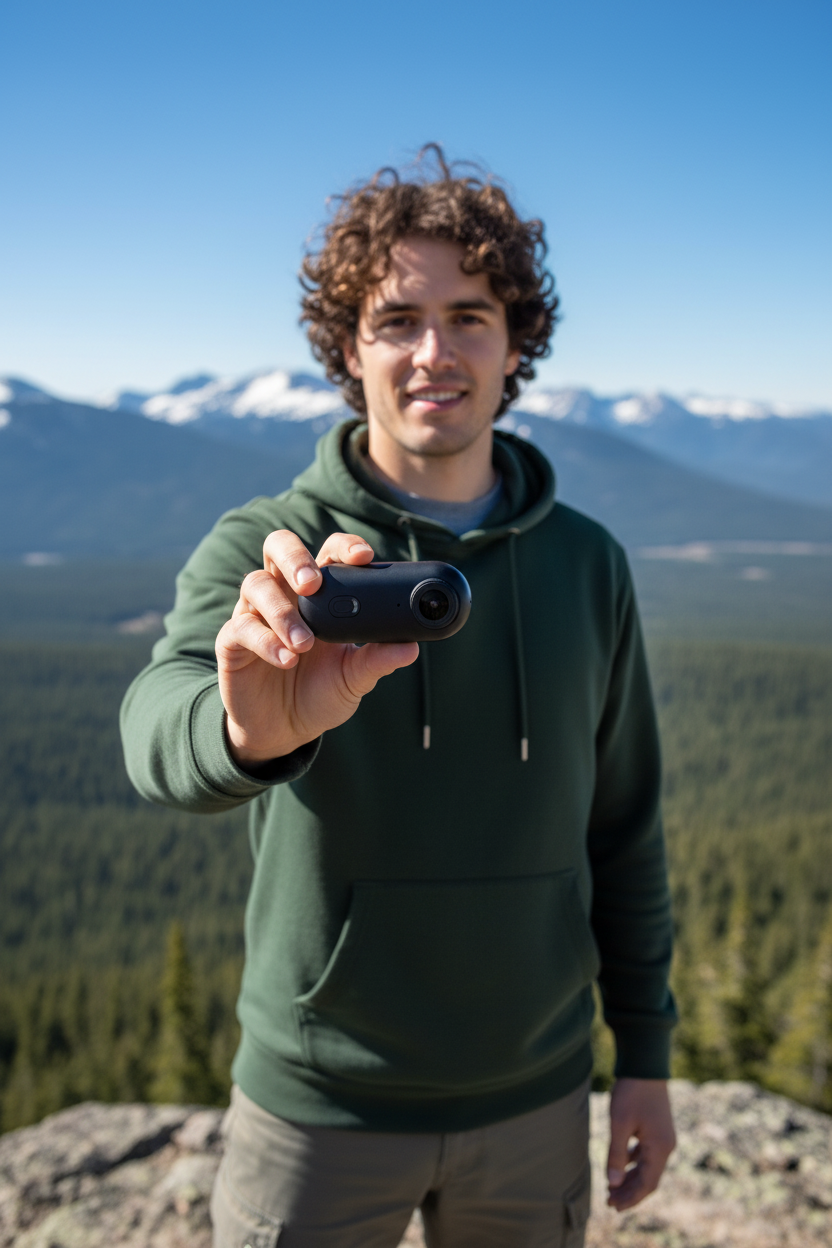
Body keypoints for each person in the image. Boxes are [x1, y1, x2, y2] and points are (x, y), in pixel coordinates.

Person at [120, 146, 677, 1247]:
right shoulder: (267, 547)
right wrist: (244, 733)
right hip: (319, 1105)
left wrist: (646, 1062)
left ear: (516, 342)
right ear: (346, 347)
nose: (436, 352)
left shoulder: (586, 564)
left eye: (471, 315)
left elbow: (625, 827)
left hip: (535, 1097)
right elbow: (155, 729)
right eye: (396, 320)